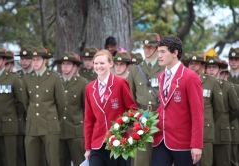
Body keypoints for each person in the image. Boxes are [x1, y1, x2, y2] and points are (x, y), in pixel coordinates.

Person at [151, 36, 204, 166]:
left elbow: (198, 113)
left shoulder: (191, 77)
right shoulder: (161, 76)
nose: (159, 55)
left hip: (183, 142)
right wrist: (146, 120)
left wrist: (197, 145)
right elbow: (163, 106)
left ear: (175, 53)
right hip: (161, 139)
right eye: (158, 52)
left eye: (163, 52)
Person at [84, 49, 137, 166]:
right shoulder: (89, 87)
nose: (99, 66)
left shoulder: (120, 83)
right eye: (96, 63)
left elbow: (132, 110)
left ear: (110, 64)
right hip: (98, 144)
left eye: (102, 63)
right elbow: (89, 119)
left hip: (119, 143)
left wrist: (122, 126)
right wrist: (88, 148)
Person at [22, 46, 66, 166]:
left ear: (44, 60)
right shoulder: (27, 79)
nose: (35, 62)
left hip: (50, 126)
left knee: (53, 161)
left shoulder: (54, 77)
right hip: (32, 127)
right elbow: (25, 102)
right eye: (33, 59)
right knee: (32, 161)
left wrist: (54, 119)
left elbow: (61, 103)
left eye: (38, 59)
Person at [127, 33, 163, 166]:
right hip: (141, 118)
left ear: (157, 48)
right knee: (141, 158)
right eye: (145, 47)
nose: (147, 50)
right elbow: (129, 97)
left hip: (161, 117)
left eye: (150, 47)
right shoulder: (136, 69)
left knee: (162, 156)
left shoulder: (165, 68)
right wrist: (133, 120)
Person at [185, 51, 224, 166]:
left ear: (203, 66)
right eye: (190, 63)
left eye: (196, 63)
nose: (192, 65)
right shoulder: (180, 81)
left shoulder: (211, 82)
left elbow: (219, 109)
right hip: (184, 132)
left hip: (204, 133)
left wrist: (207, 122)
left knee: (204, 163)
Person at [0, 47, 25, 166]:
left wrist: (11, 117)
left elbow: (21, 103)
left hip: (7, 128)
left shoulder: (13, 79)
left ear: (5, 61)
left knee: (9, 161)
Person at [205, 56, 239, 166]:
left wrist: (225, 121)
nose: (211, 70)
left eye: (214, 67)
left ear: (220, 70)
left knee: (223, 162)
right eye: (209, 67)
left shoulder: (227, 87)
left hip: (222, 133)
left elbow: (235, 109)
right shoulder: (200, 85)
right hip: (205, 134)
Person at [54, 52, 87, 166]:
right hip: (58, 130)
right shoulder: (55, 81)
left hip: (75, 131)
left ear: (75, 67)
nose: (65, 66)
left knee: (80, 162)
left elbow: (86, 108)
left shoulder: (82, 83)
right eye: (63, 64)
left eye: (68, 64)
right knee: (60, 162)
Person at [219, 60, 239, 166]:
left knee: (232, 160)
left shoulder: (230, 87)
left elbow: (235, 109)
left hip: (231, 127)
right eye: (221, 72)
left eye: (224, 73)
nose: (221, 75)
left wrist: (226, 120)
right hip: (218, 131)